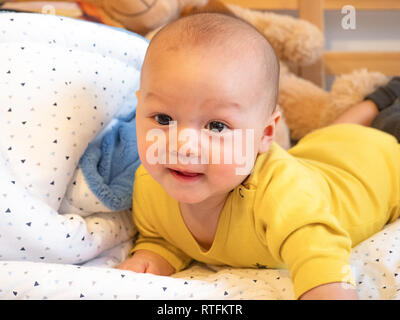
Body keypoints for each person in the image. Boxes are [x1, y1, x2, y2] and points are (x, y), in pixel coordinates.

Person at [116, 12, 400, 300]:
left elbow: (320, 257)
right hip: (320, 150)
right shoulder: (151, 183)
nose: (183, 145)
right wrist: (152, 256)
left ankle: (383, 99)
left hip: (380, 165)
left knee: (384, 125)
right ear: (139, 109)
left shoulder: (282, 197)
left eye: (216, 126)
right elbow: (165, 236)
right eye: (163, 118)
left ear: (266, 134)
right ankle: (376, 100)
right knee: (331, 133)